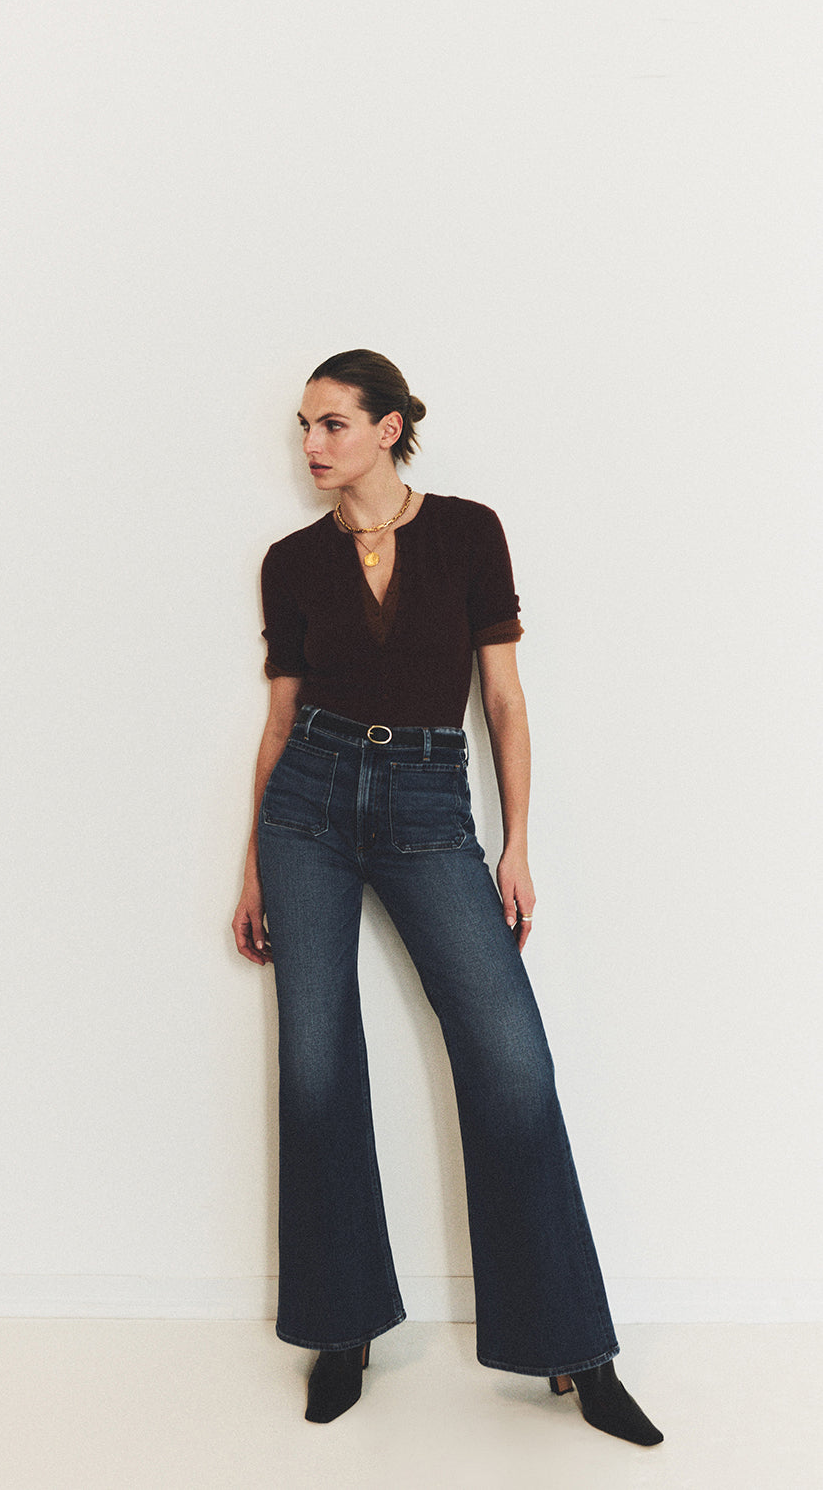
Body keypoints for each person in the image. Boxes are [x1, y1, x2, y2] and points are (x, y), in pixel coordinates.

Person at [231, 349, 662, 1446]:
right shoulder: (291, 561)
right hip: (306, 809)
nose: (311, 443)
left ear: (388, 428)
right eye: (302, 426)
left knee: (510, 1059)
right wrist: (252, 866)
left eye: (331, 423)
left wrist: (516, 843)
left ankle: (574, 1348)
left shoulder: (468, 533)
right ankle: (341, 1328)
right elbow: (279, 722)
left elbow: (503, 702)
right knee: (316, 1061)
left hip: (429, 806)